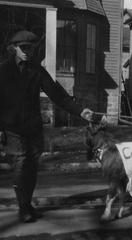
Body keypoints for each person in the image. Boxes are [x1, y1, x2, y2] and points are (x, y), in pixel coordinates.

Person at [0, 30, 93, 223]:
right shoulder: (3, 70)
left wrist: (80, 111)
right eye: (23, 48)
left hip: (33, 129)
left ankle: (27, 204)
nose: (27, 52)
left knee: (32, 167)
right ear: (14, 48)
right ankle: (23, 207)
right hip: (12, 128)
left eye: (30, 48)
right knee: (21, 164)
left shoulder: (37, 70)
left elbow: (58, 95)